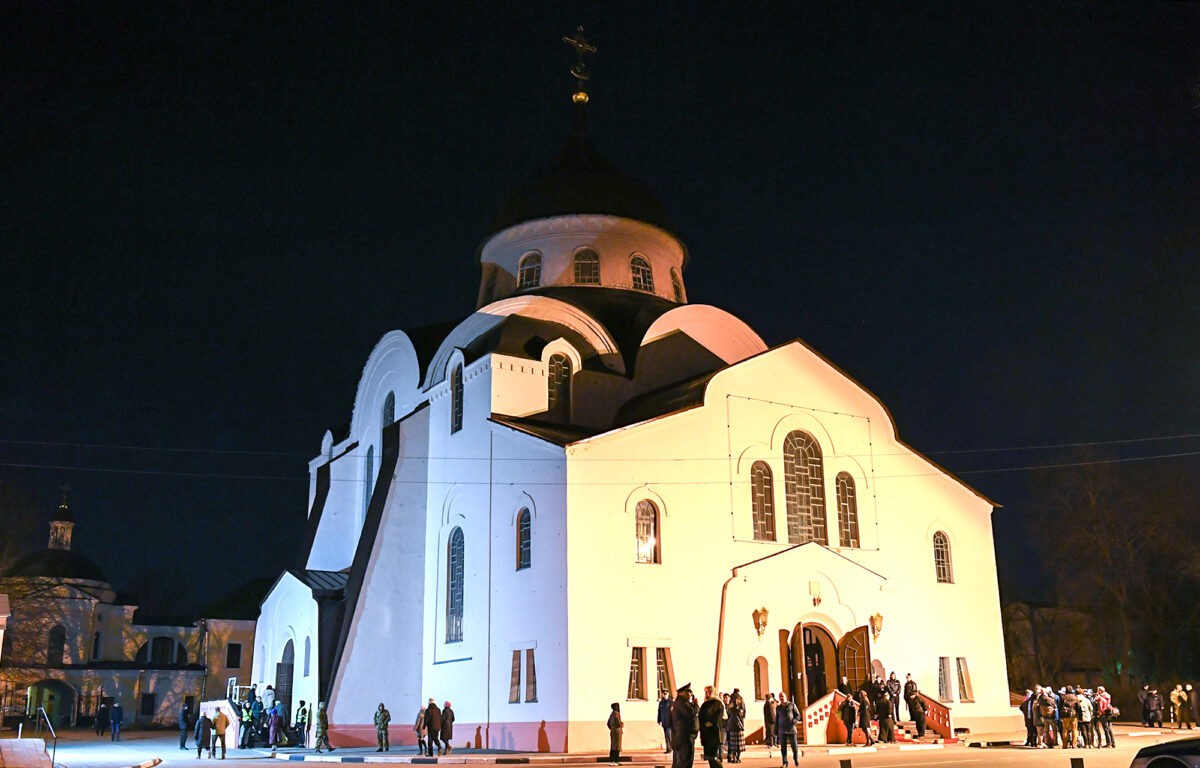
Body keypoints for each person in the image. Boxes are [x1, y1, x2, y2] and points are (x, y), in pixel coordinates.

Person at [670, 683, 697, 768]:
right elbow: (690, 713)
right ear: (682, 693)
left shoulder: (679, 702)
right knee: (685, 761)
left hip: (682, 735)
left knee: (681, 761)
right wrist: (696, 705)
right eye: (688, 692)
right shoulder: (682, 702)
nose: (691, 694)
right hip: (684, 735)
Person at [698, 685, 725, 768]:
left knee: (713, 757)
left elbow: (719, 717)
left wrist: (711, 723)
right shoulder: (705, 704)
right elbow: (700, 716)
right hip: (706, 734)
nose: (707, 694)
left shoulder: (718, 703)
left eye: (709, 692)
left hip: (714, 733)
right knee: (709, 757)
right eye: (706, 692)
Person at [775, 693, 799, 768]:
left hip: (791, 729)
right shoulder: (778, 708)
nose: (781, 698)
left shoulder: (792, 705)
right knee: (783, 748)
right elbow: (777, 719)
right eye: (780, 697)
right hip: (782, 730)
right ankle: (785, 762)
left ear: (786, 697)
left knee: (794, 746)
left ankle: (796, 759)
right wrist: (776, 731)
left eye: (782, 696)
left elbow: (798, 715)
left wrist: (794, 721)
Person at [726, 689, 745, 763]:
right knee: (739, 744)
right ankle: (737, 758)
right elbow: (743, 713)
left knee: (733, 744)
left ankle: (733, 757)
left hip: (732, 726)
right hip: (739, 727)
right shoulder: (740, 699)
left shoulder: (730, 703)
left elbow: (728, 713)